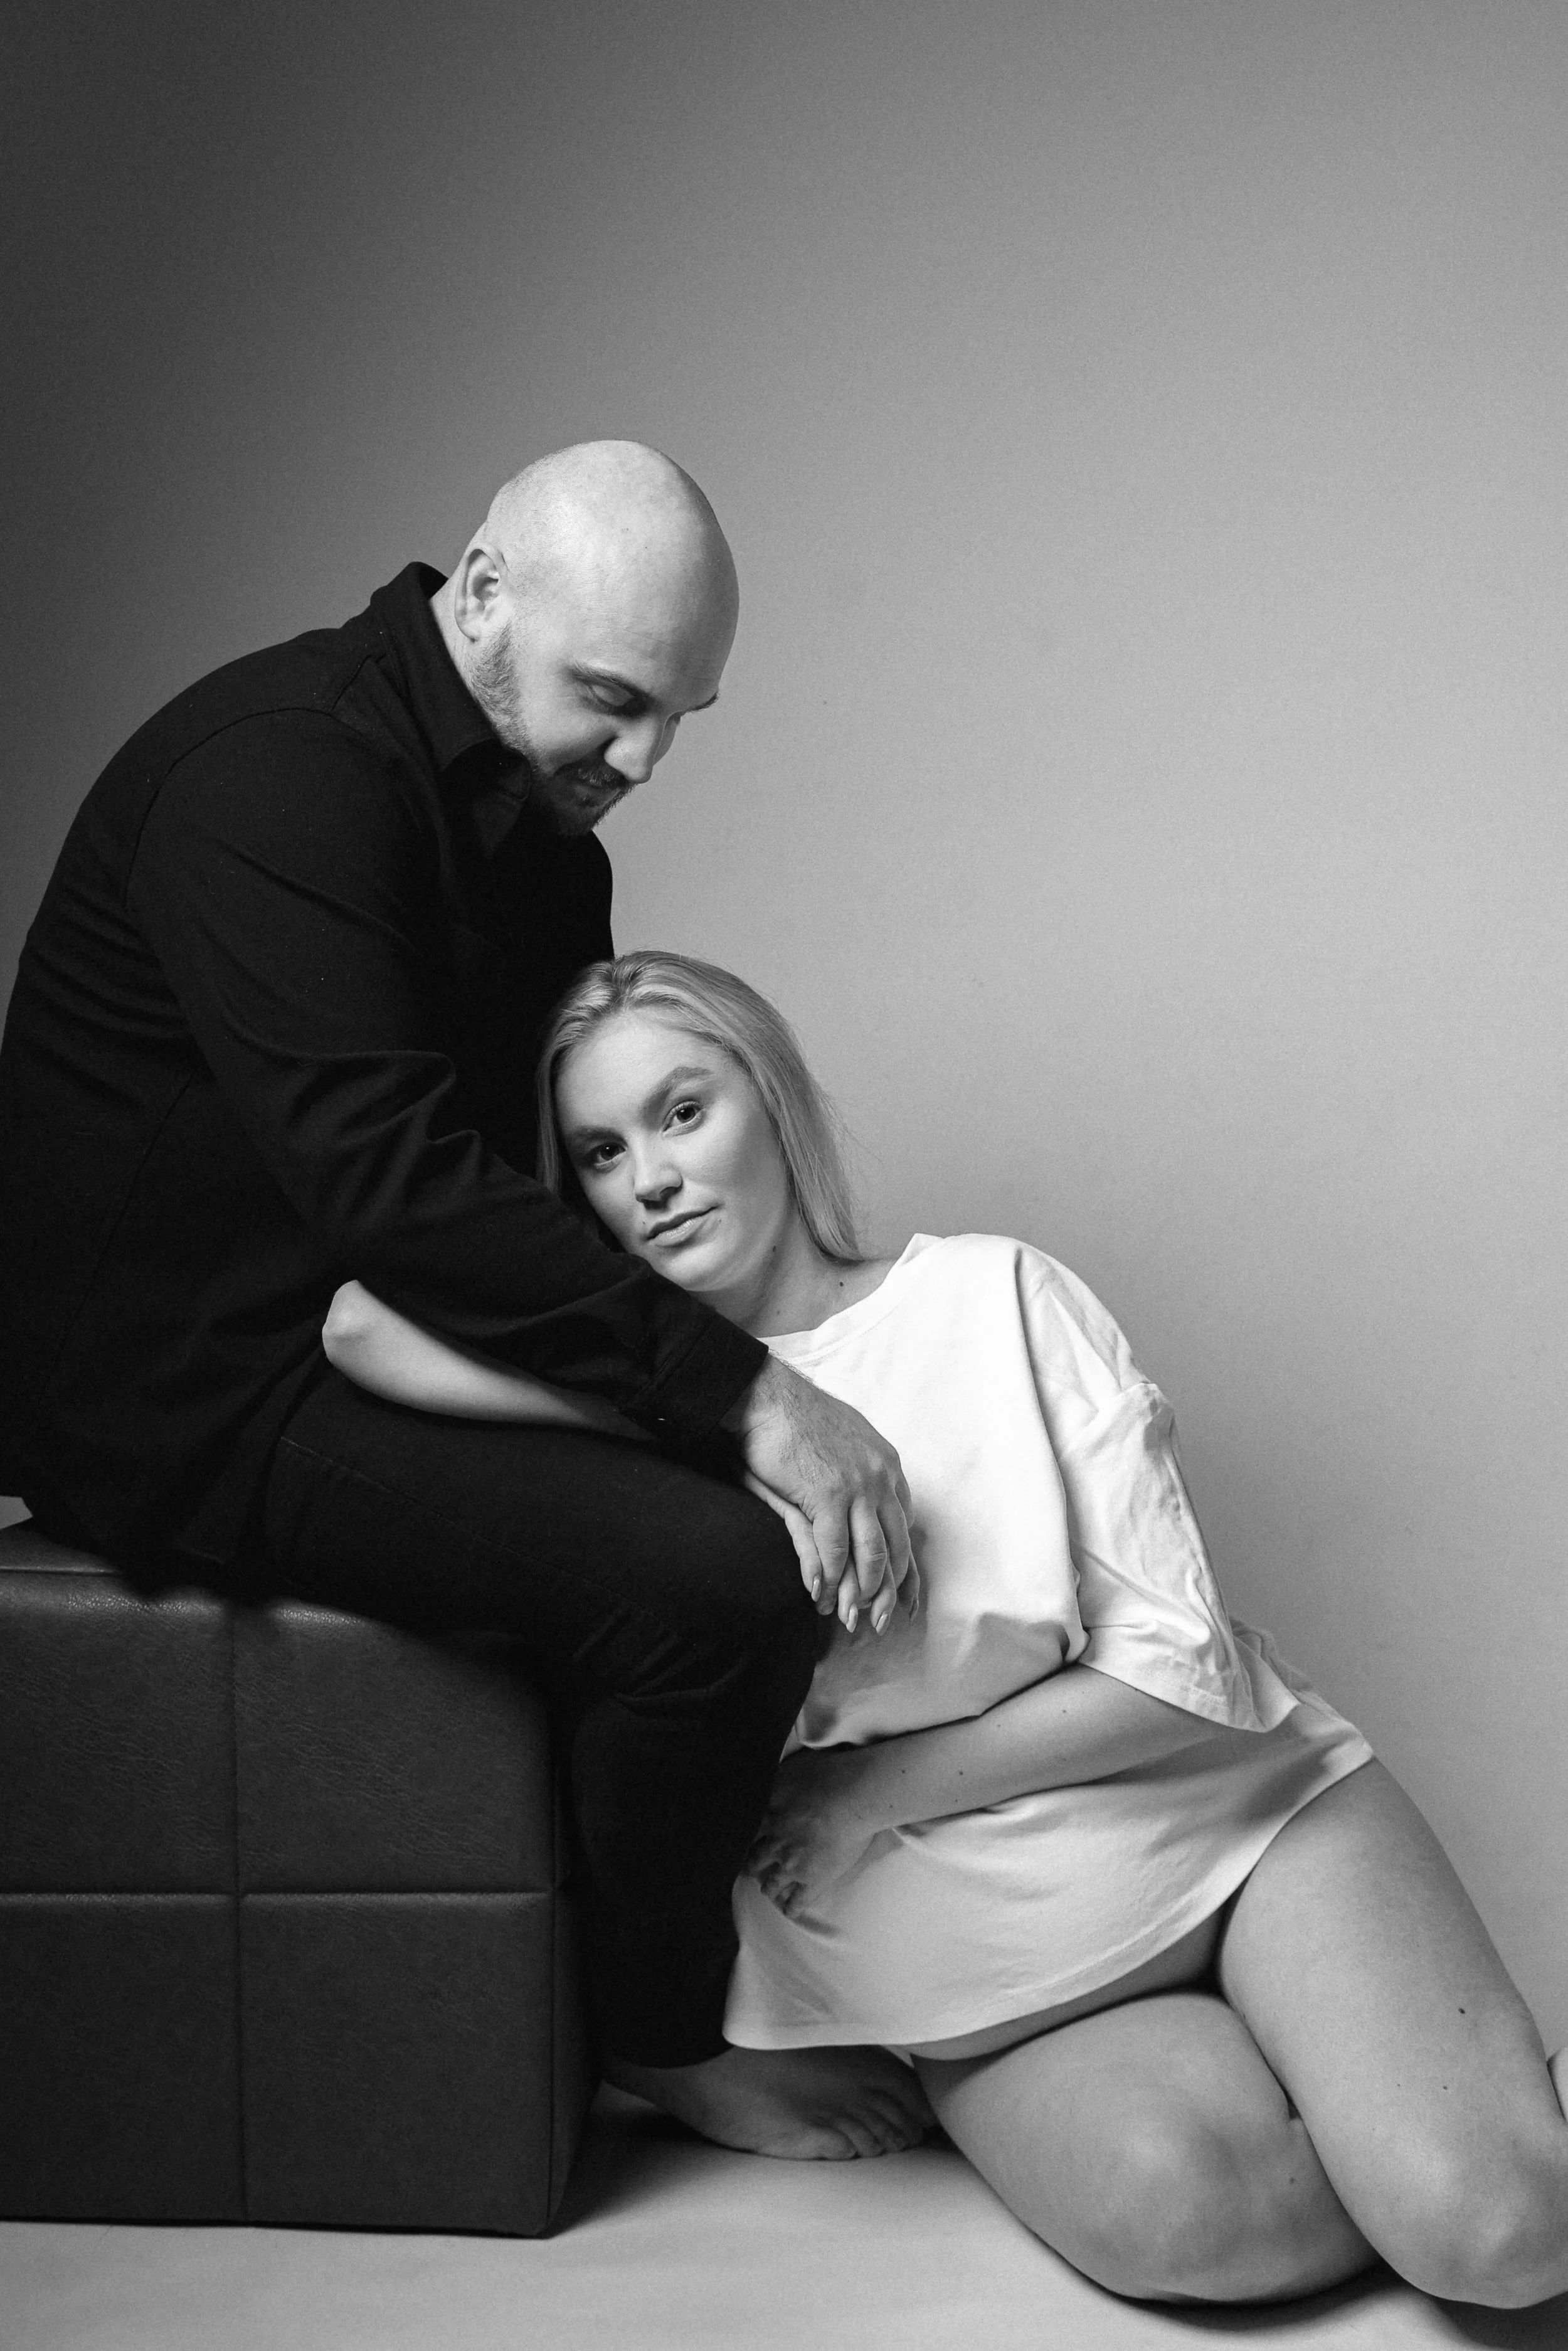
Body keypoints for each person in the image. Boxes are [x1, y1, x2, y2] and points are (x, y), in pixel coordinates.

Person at [326, 948, 1568, 2311]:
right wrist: (694, 1406)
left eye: (684, 1111)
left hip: (1241, 1829)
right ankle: (1428, 2105)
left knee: (1493, 2237)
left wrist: (867, 1788)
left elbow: (1175, 1670)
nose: (653, 1178)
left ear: (771, 1100)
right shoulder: (642, 1423)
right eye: (601, 1154)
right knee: (1197, 2225)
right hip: (996, 1974)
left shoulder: (994, 1295)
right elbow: (363, 1325)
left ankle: (1460, 2131)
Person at [0, 444, 928, 2160]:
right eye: (614, 699)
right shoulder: (270, 775)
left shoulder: (544, 847)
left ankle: (712, 1970)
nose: (643, 757)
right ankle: (663, 2037)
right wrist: (744, 1397)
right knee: (714, 1584)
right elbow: (403, 1186)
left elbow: (515, 1189)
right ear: (481, 597)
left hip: (373, 1321)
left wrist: (705, 1385)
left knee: (720, 1509)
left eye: (679, 717)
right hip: (189, 1382)